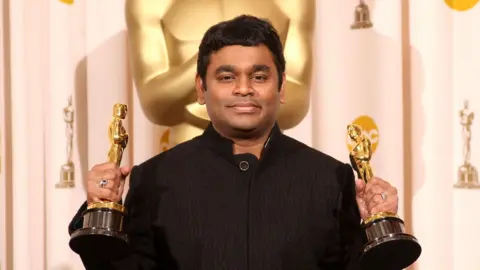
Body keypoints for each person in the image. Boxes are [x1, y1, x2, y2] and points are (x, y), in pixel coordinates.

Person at [69, 15, 399, 270]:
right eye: (227, 77)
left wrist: (379, 227)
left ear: (281, 88)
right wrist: (98, 208)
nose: (244, 89)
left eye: (259, 76)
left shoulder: (331, 177)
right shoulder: (154, 179)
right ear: (201, 88)